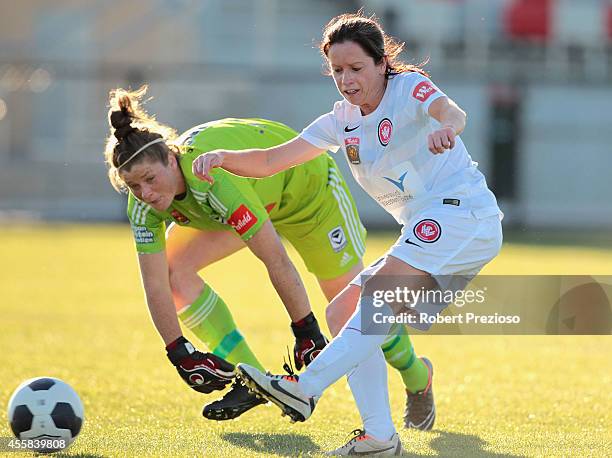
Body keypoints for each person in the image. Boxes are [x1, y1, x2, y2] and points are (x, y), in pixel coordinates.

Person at [192, 11, 503, 456]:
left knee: (375, 301)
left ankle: (304, 385)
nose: (346, 79)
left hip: (463, 215)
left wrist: (447, 130)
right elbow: (268, 161)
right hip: (430, 226)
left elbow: (451, 112)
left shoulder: (407, 88)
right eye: (337, 70)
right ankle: (378, 436)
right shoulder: (341, 120)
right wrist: (222, 156)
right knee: (343, 314)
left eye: (356, 68)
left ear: (381, 63)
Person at [103, 87, 431, 426]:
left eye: (150, 179)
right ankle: (253, 380)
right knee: (174, 271)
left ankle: (417, 378)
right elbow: (154, 284)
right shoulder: (145, 205)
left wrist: (306, 330)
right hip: (248, 201)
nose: (146, 193)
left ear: (171, 158)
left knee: (350, 307)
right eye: (133, 186)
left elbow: (275, 260)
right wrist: (178, 351)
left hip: (310, 196)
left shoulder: (212, 180)